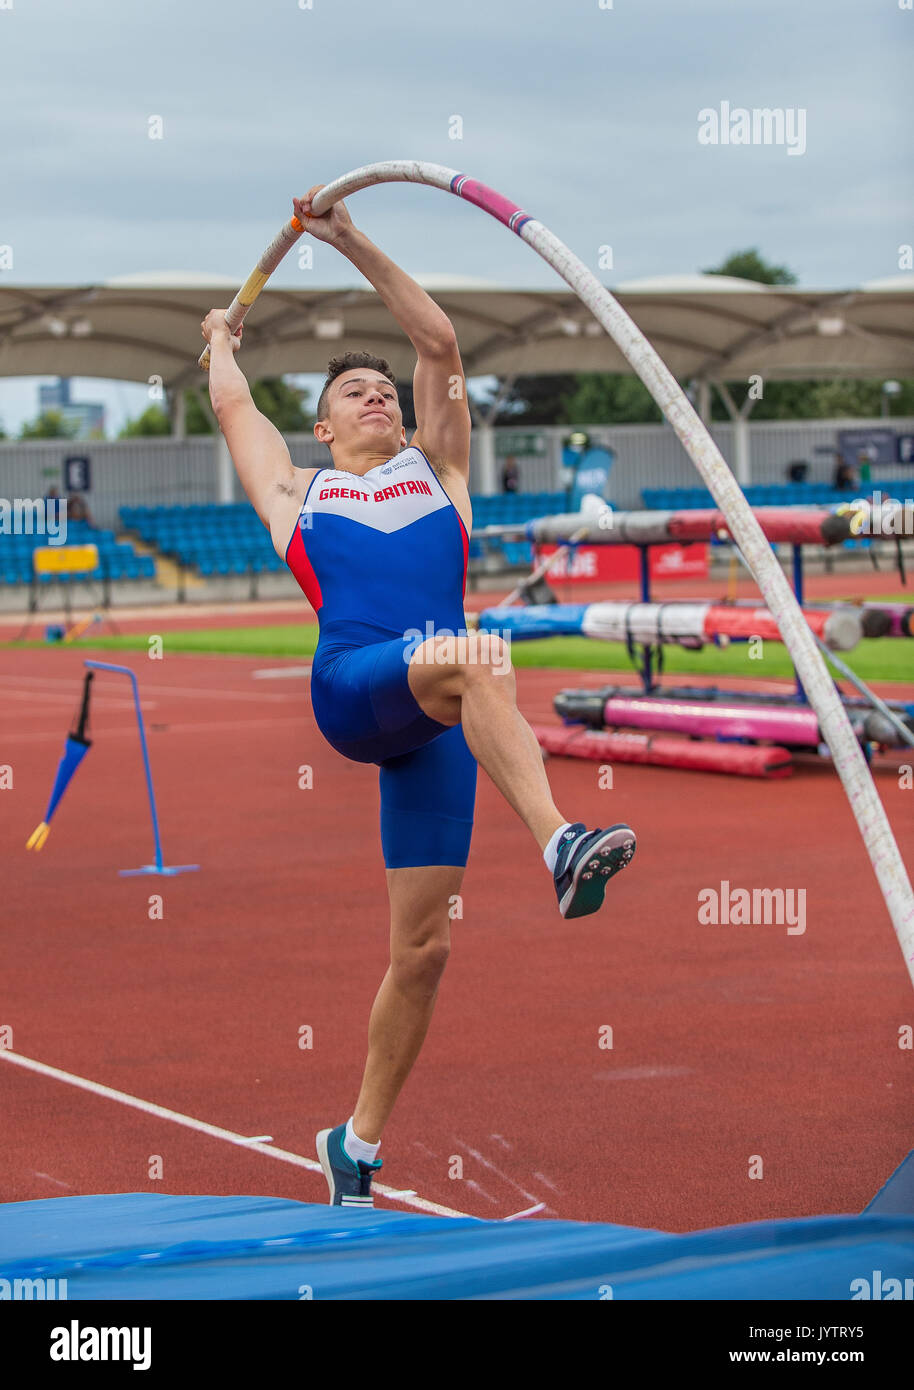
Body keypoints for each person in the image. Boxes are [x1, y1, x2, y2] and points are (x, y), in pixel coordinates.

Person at [200, 186, 636, 1210]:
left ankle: (352, 1140)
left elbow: (436, 340)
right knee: (478, 650)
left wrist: (345, 236)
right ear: (318, 422)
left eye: (383, 389)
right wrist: (222, 336)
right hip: (355, 688)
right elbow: (230, 402)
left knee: (424, 948)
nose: (377, 397)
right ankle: (559, 843)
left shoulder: (439, 471)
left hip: (435, 712)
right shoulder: (294, 492)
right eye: (354, 390)